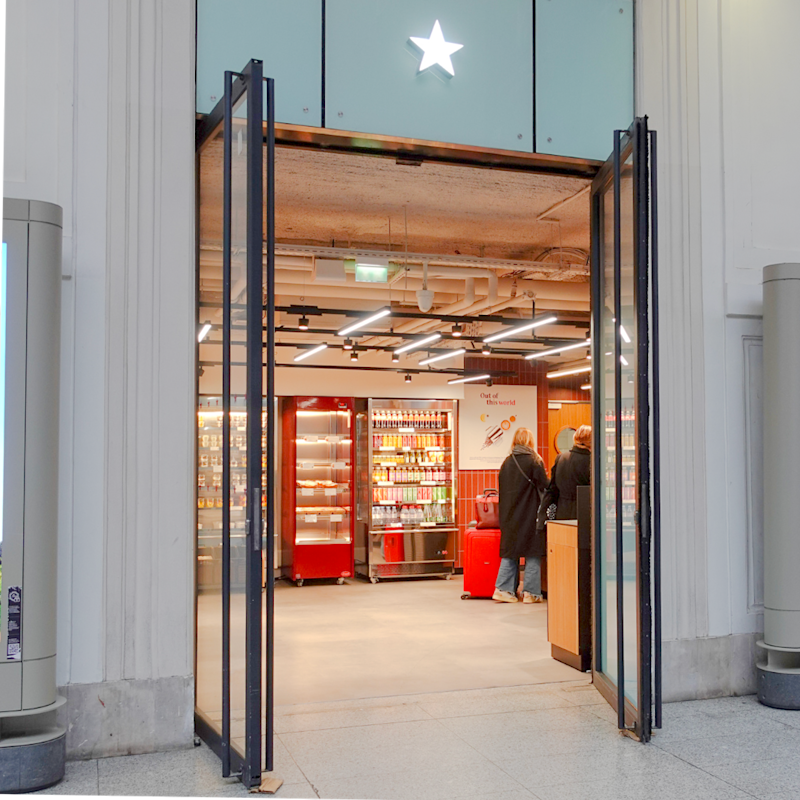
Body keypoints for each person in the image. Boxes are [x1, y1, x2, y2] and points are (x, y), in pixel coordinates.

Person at [493, 427, 549, 604]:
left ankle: (503, 588)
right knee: (533, 552)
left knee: (510, 552)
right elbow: (544, 485)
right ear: (530, 441)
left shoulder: (507, 462)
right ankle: (530, 592)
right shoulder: (534, 461)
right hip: (530, 514)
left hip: (509, 515)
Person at [536, 424, 591, 533]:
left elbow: (551, 489)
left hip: (561, 515)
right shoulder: (591, 461)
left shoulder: (561, 458)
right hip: (584, 516)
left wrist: (542, 517)